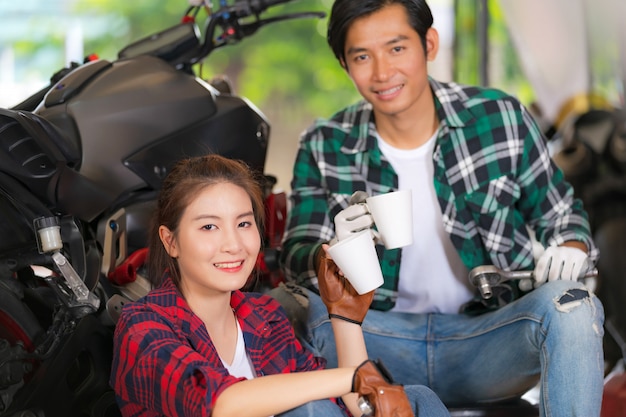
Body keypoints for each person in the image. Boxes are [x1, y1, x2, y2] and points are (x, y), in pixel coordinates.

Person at [278, 1, 605, 416]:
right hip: (379, 343)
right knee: (287, 309)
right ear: (345, 63)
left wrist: (571, 248)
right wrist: (331, 251)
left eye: (397, 48)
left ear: (428, 44)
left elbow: (561, 216)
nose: (382, 72)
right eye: (362, 56)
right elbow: (294, 258)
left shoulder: (498, 117)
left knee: (573, 307)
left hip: (487, 338)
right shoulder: (324, 144)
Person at [109, 154, 450, 417]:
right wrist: (357, 377)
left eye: (244, 223)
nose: (233, 244)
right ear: (171, 242)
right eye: (209, 227)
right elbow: (219, 404)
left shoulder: (264, 317)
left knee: (417, 399)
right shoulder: (142, 325)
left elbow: (346, 404)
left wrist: (345, 317)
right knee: (309, 410)